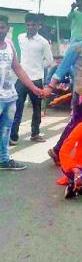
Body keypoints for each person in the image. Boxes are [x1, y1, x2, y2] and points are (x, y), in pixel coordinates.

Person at [44, 19, 82, 166]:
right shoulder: (76, 48)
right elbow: (63, 68)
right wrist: (50, 86)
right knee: (76, 125)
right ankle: (57, 150)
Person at [0, 15, 44, 170]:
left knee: (5, 130)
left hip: (8, 95)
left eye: (2, 27)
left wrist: (33, 87)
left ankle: (3, 159)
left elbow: (17, 68)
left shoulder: (9, 44)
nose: (0, 30)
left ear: (7, 29)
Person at [10, 13, 53, 145]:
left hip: (36, 78)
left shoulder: (43, 42)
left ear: (38, 25)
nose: (31, 27)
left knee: (36, 108)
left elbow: (50, 61)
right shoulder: (20, 37)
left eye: (33, 24)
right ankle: (13, 137)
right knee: (17, 107)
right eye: (28, 24)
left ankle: (35, 134)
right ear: (26, 25)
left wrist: (39, 66)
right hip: (22, 78)